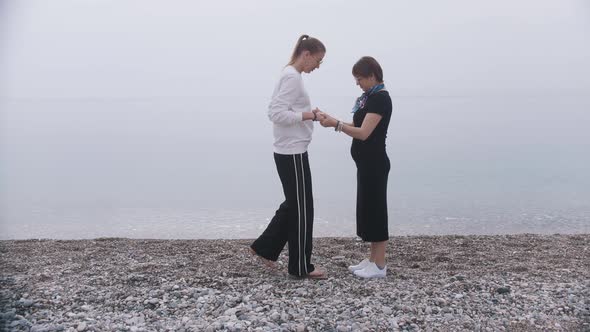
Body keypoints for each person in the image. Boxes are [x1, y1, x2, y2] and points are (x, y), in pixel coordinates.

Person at [249, 35, 327, 279]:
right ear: (306, 54)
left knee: (297, 206)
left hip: (292, 150)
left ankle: (266, 248)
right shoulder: (292, 76)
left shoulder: (291, 75)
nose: (318, 66)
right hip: (291, 151)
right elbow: (275, 113)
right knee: (301, 208)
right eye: (318, 60)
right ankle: (300, 267)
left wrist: (306, 114)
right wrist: (308, 116)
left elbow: (285, 110)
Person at [318, 56, 392, 278]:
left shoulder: (380, 99)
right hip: (366, 164)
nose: (357, 83)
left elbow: (363, 133)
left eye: (359, 79)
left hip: (375, 163)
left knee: (377, 211)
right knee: (368, 210)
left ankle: (379, 265)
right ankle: (371, 260)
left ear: (371, 76)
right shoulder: (369, 98)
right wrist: (332, 120)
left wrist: (337, 125)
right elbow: (357, 124)